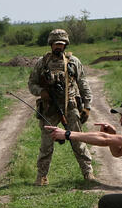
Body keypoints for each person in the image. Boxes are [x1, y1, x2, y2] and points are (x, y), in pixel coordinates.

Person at [29, 28, 93, 185]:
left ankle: (88, 172)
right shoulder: (42, 63)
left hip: (70, 106)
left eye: (62, 44)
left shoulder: (73, 62)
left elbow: (83, 84)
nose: (59, 47)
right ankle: (42, 176)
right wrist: (41, 92)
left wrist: (87, 106)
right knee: (46, 145)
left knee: (78, 141)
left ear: (66, 45)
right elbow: (31, 84)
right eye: (56, 44)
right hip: (49, 108)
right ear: (51, 44)